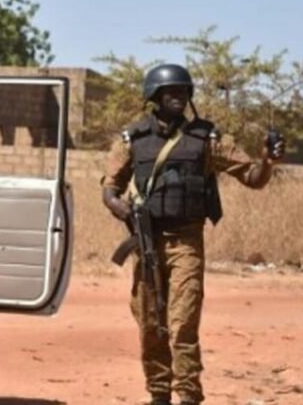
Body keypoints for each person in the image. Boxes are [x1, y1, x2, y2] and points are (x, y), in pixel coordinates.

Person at [101, 63, 285, 405]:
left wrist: (268, 160)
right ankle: (158, 394)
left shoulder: (206, 138)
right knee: (150, 320)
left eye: (184, 92)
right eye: (171, 92)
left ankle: (187, 396)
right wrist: (121, 207)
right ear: (155, 96)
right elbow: (110, 187)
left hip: (186, 241)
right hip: (147, 242)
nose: (179, 97)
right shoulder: (133, 139)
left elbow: (254, 178)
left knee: (183, 324)